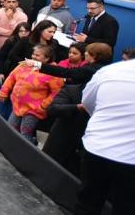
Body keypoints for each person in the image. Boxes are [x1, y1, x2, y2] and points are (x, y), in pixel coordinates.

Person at [74, 55, 135, 214]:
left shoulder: (111, 70)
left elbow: (88, 103)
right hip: (134, 160)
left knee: (87, 203)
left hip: (96, 147)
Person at [43, 43, 111, 175]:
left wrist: (39, 66)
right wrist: (76, 107)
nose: (85, 54)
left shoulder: (84, 77)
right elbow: (54, 109)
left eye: (87, 52)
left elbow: (66, 73)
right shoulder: (74, 89)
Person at [0, 45, 64, 144]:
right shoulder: (25, 64)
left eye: (37, 55)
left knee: (25, 133)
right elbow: (11, 77)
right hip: (17, 105)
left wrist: (43, 106)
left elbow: (57, 92)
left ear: (47, 58)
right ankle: (11, 148)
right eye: (33, 54)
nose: (33, 57)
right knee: (11, 128)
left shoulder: (53, 71)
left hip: (34, 110)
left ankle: (27, 153)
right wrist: (4, 92)